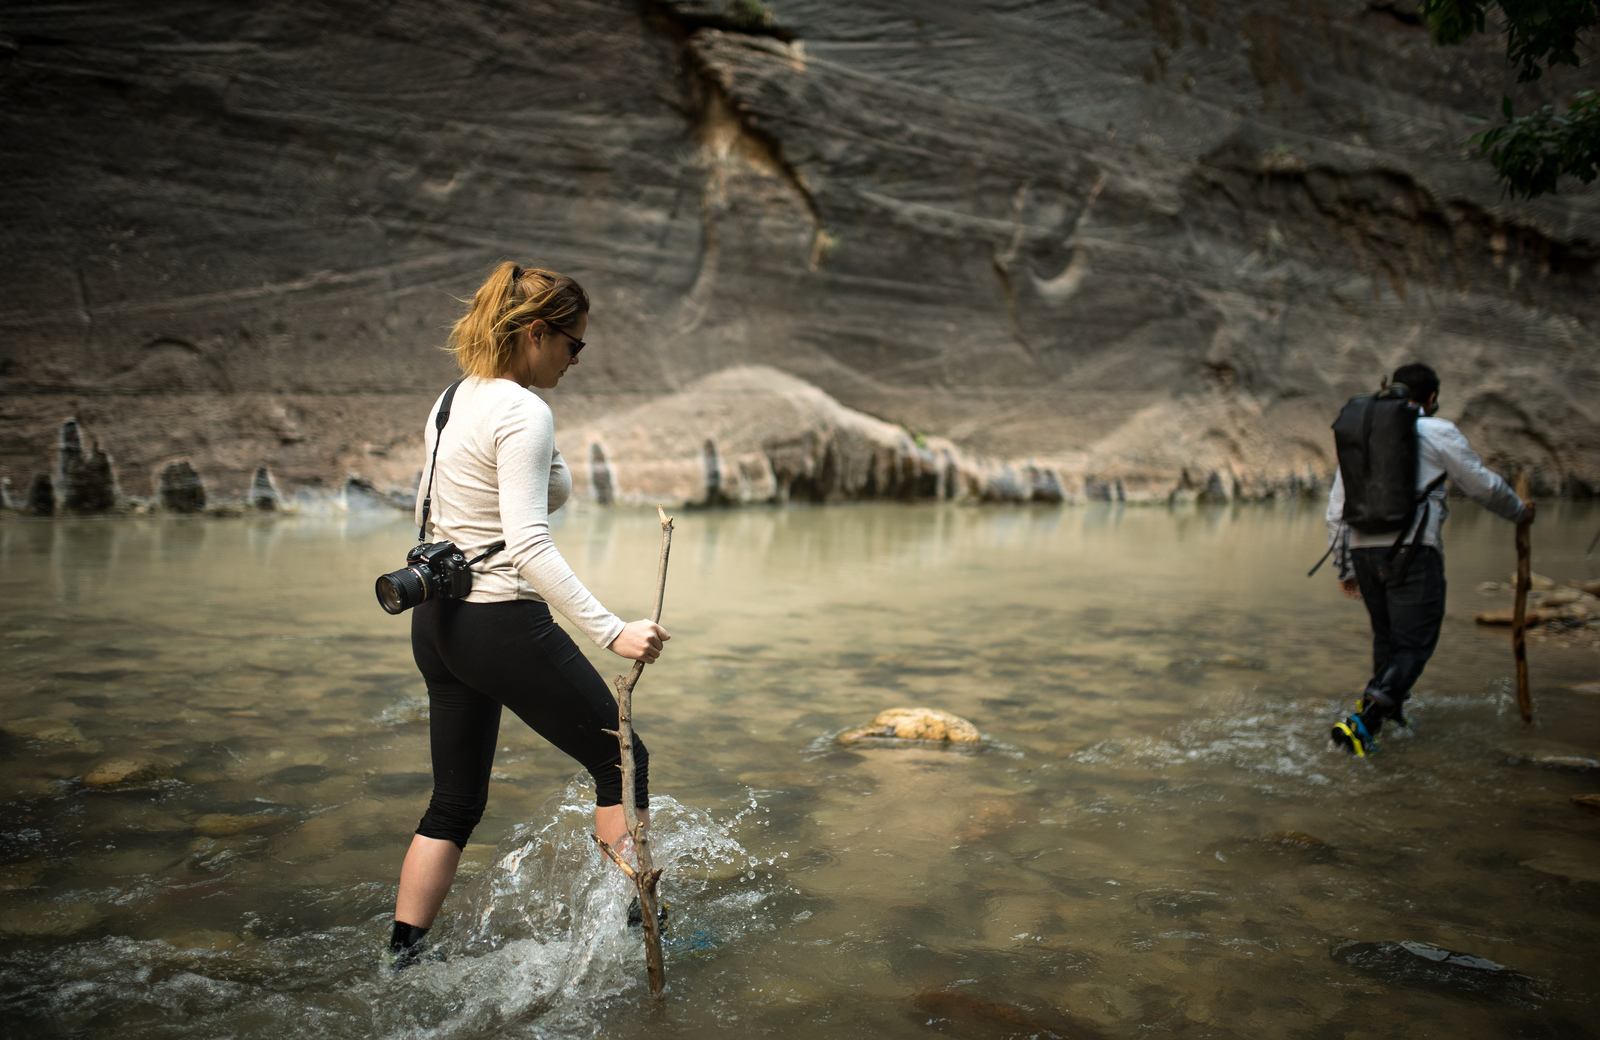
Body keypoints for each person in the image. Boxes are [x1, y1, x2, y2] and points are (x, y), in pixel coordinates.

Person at [388, 261, 670, 966]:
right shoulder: (523, 411)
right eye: (574, 345)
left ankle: (399, 959)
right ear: (538, 333)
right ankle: (641, 941)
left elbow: (449, 507)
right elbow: (528, 542)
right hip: (499, 622)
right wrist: (613, 631)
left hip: (439, 625)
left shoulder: (452, 398)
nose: (577, 360)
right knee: (621, 760)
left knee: (453, 804)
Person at [1325, 363, 1534, 756]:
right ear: (1432, 398)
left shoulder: (1363, 434)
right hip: (1412, 551)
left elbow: (1337, 507)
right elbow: (1483, 486)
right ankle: (1366, 719)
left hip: (1363, 549)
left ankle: (1389, 714)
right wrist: (1520, 512)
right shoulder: (1438, 431)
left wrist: (1346, 566)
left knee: (1388, 638)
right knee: (1415, 643)